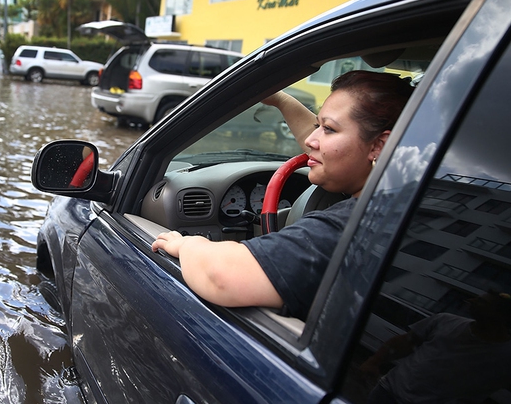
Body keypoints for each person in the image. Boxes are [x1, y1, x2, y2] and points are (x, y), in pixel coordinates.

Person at [151, 70, 415, 319]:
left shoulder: (351, 227)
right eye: (317, 125)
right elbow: (335, 149)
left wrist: (187, 244)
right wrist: (279, 99)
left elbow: (219, 277)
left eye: (329, 129)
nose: (312, 140)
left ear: (380, 145)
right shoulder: (411, 201)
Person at [360, 291, 511, 403]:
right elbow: (406, 342)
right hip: (388, 392)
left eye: (481, 302)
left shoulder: (505, 356)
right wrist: (373, 362)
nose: (470, 301)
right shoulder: (446, 321)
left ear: (499, 315)